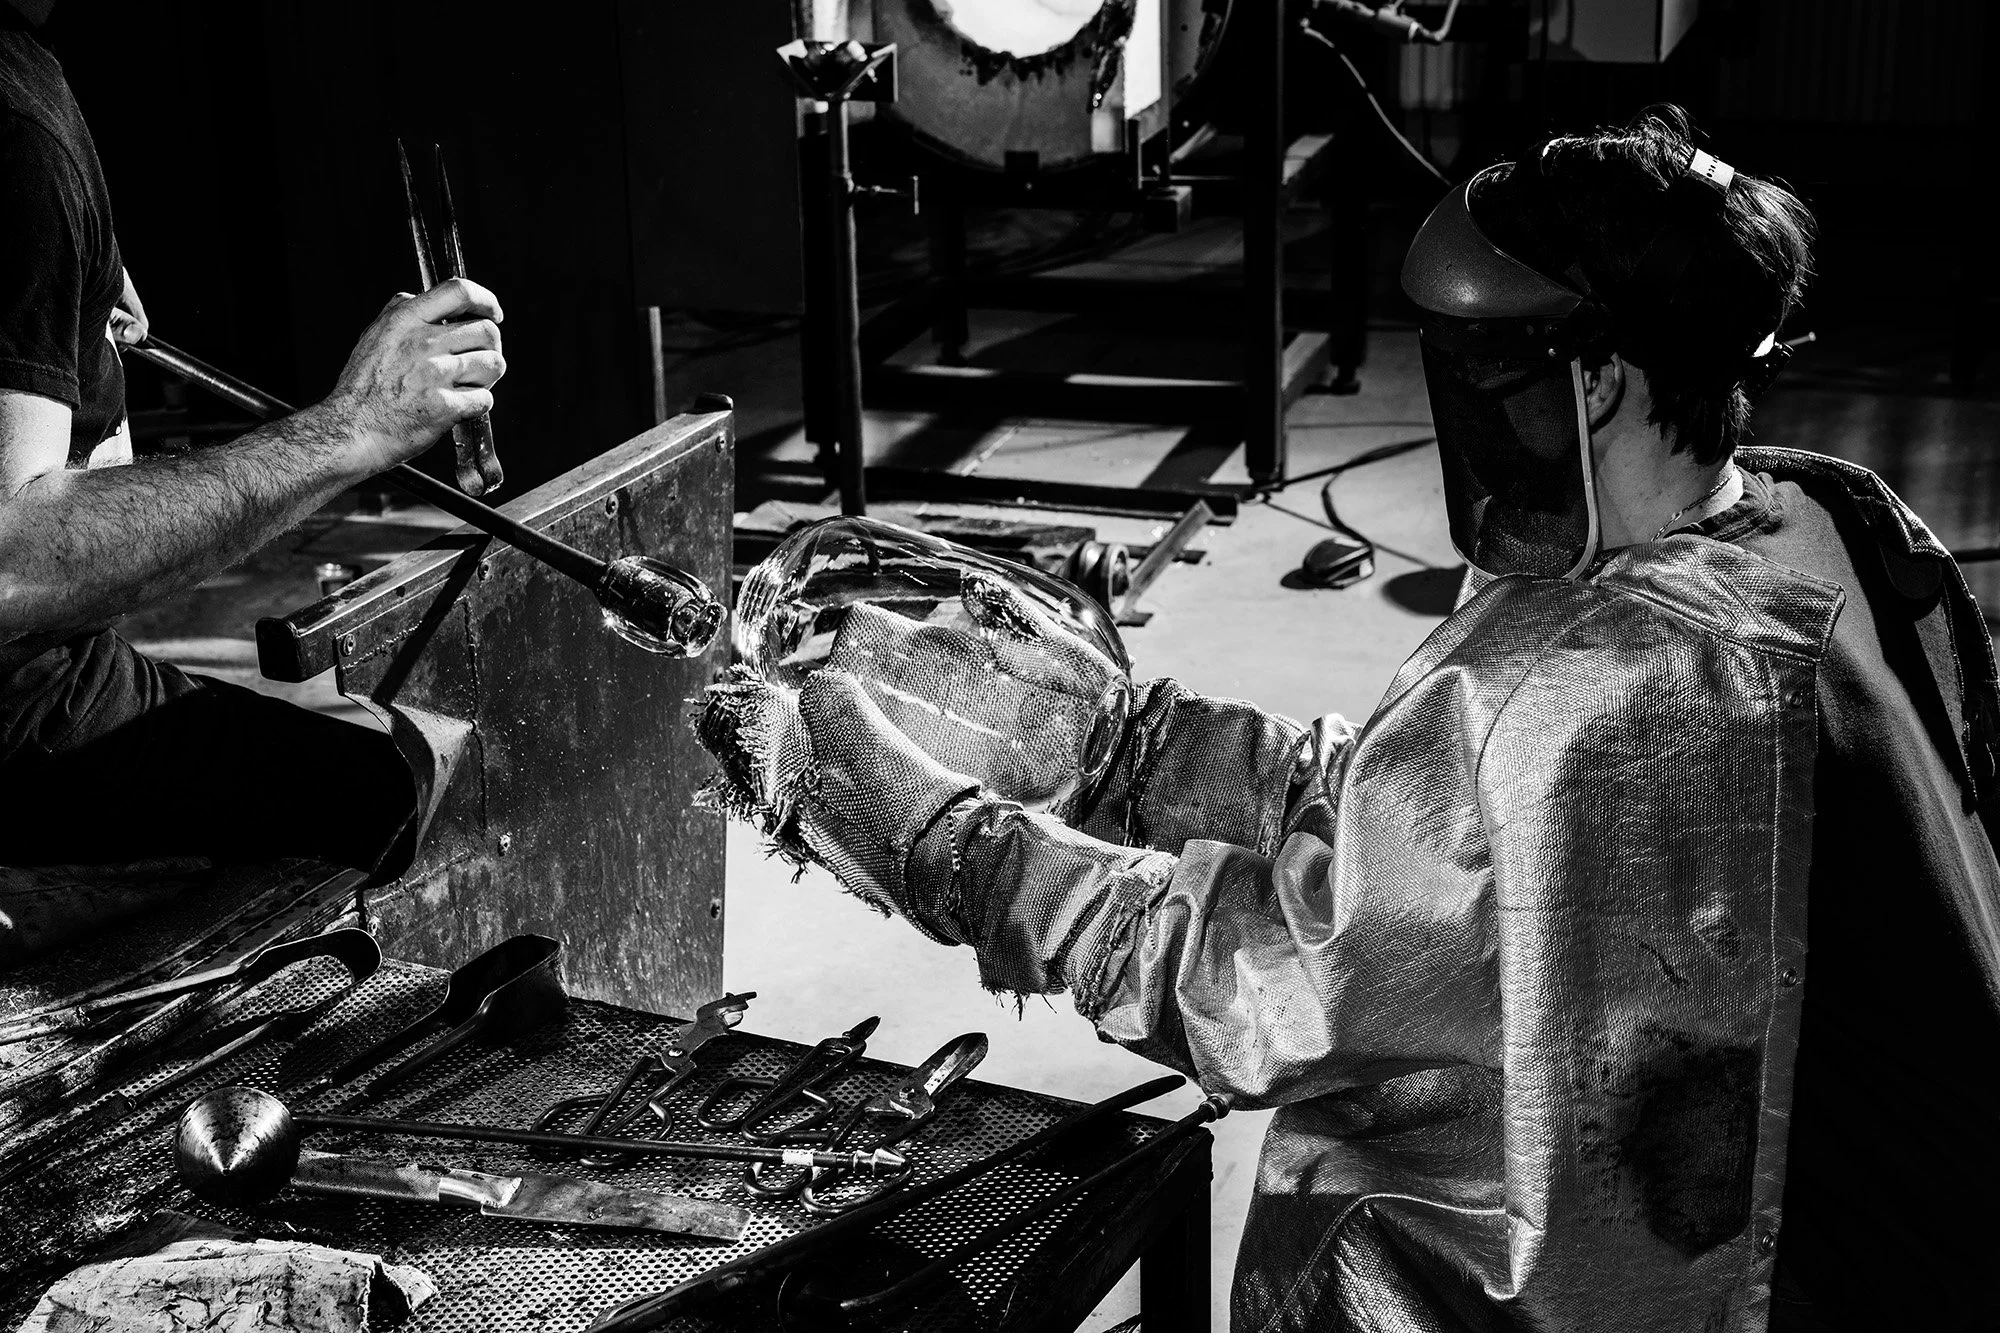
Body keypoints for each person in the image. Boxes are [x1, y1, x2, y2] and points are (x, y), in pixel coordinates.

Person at [699, 106, 2000, 1331]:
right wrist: (1142, 751)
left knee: (1359, 1205)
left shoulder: (1565, 677)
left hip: (1757, 1276)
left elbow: (1265, 992)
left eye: (1493, 376)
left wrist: (951, 848)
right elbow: (1470, 840)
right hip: (1906, 1210)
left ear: (1593, 380)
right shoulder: (1828, 522)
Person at [1, 2, 505, 936]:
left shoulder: (24, 79)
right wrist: (351, 430)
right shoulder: (14, 128)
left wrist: (61, 284)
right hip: (19, 711)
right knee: (434, 791)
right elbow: (13, 561)